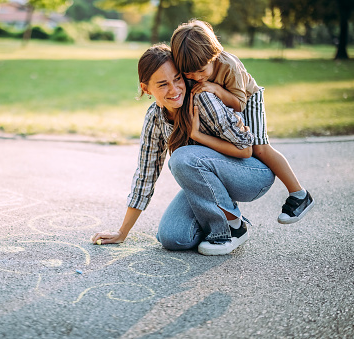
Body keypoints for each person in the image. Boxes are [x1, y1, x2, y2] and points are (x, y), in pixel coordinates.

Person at [91, 44, 275, 255]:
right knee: (173, 237)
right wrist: (122, 232)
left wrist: (199, 137)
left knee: (182, 158)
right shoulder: (155, 118)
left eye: (177, 79)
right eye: (162, 84)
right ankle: (220, 214)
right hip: (209, 183)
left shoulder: (203, 99)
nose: (174, 89)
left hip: (252, 174)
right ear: (146, 88)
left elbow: (245, 150)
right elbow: (146, 175)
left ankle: (231, 229)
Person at [170, 19, 314, 224]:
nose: (196, 77)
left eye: (201, 70)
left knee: (260, 148)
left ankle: (299, 194)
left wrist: (216, 89)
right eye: (189, 73)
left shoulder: (229, 66)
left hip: (248, 97)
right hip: (224, 102)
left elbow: (239, 104)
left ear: (214, 54)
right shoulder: (193, 67)